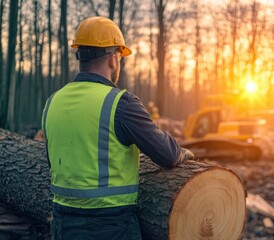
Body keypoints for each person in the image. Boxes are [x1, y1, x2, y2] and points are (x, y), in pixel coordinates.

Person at [42, 16, 194, 240]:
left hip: (63, 225)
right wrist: (185, 153)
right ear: (114, 59)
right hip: (110, 226)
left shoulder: (52, 102)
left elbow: (54, 160)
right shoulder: (120, 104)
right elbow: (167, 155)